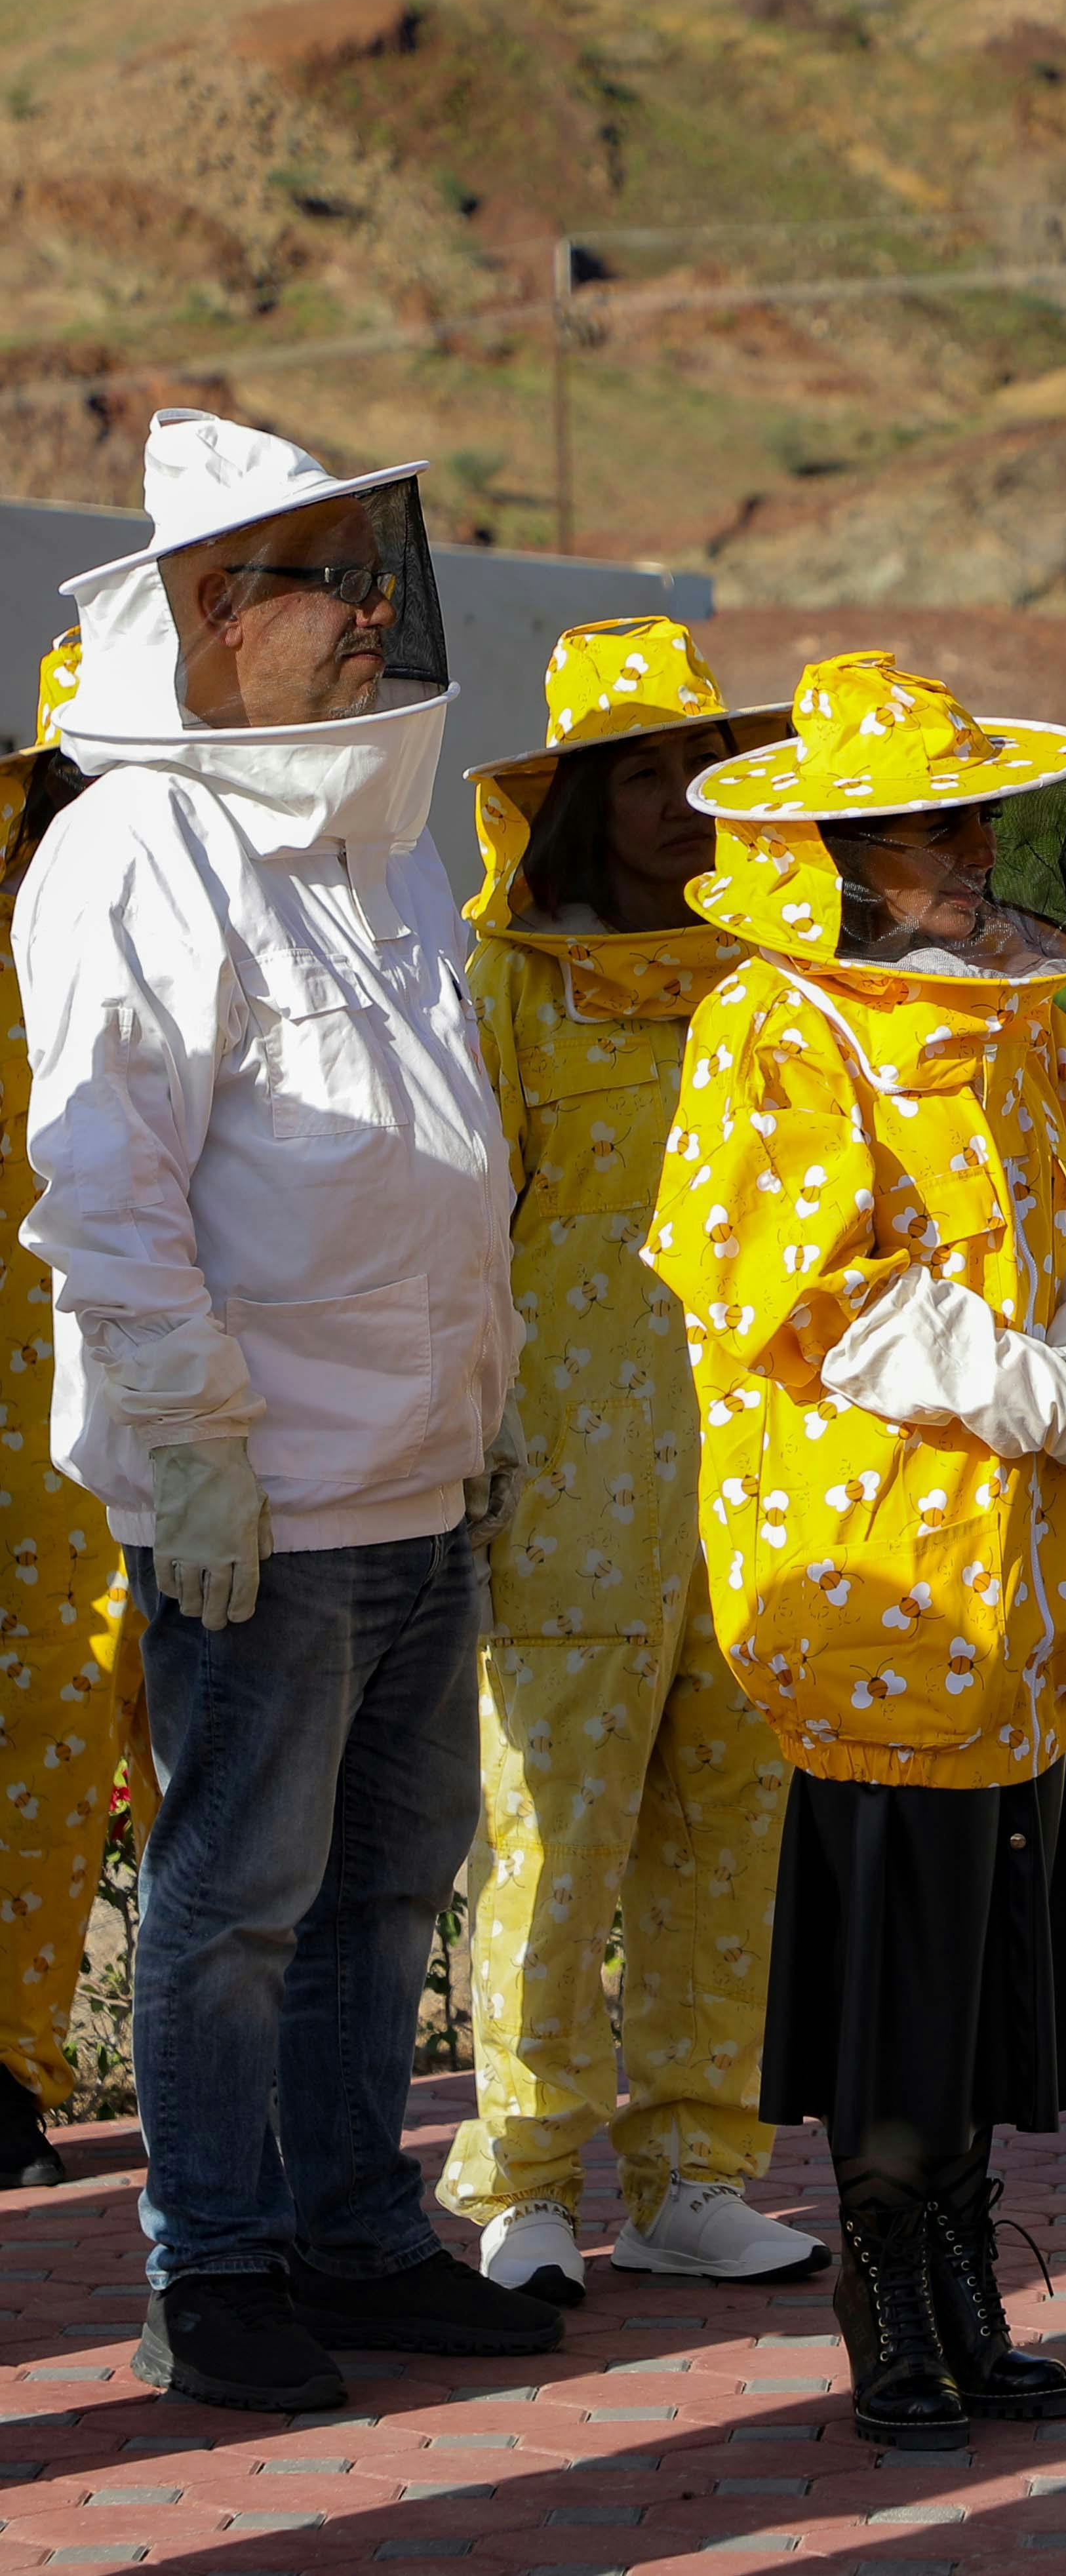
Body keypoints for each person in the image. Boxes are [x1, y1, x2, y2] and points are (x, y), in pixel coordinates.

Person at [22, 411, 542, 2412]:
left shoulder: (374, 845)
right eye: (333, 582)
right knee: (235, 1898)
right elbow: (110, 1186)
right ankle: (213, 2267)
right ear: (214, 611)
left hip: (416, 1476)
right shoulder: (132, 851)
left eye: (371, 574)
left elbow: (431, 1158)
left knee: (386, 1880)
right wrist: (193, 1443)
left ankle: (352, 2226)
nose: (373, 614)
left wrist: (483, 1407)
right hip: (260, 1496)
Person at [643, 650, 1066, 2449]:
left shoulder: (1006, 1011)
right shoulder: (772, 1024)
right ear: (839, 851)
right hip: (875, 1570)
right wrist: (1022, 1384)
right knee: (899, 1958)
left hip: (1012, 1576)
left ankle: (956, 2260)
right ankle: (887, 2287)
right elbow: (788, 1282)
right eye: (937, 826)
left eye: (977, 817)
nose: (977, 851)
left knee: (986, 1947)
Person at [439, 619, 821, 2303]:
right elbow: (465, 1233)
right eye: (638, 773)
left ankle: (692, 2175)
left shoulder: (780, 981)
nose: (674, 801)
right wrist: (474, 1440)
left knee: (731, 1837)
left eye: (697, 769)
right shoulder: (511, 981)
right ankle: (521, 2182)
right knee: (549, 1837)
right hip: (567, 1480)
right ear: (580, 802)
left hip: (760, 1475)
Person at [0, 630, 134, 2189]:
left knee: (206, 1748)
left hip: (188, 1395)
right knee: (43, 1713)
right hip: (27, 1412)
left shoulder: (202, 931)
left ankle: (242, 2090)